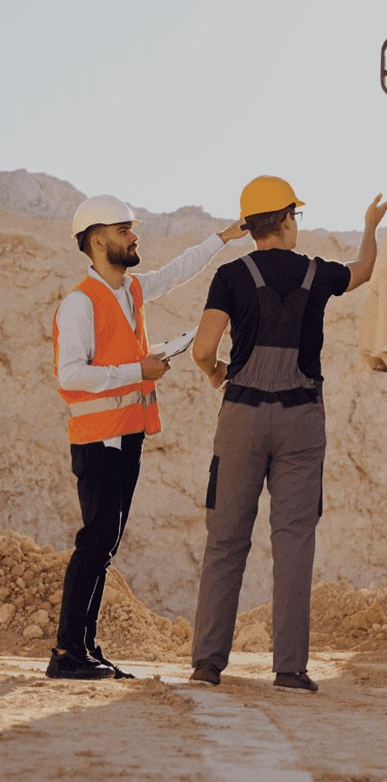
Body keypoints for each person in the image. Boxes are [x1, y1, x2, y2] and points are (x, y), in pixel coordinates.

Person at [189, 176, 387, 693]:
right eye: (294, 216)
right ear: (283, 220)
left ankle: (208, 663)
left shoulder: (230, 275)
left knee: (226, 539)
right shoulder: (318, 273)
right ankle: (290, 669)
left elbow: (202, 349)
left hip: (242, 417)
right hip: (302, 420)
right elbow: (365, 272)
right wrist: (369, 226)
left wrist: (218, 376)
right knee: (295, 541)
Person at [49, 194, 247, 680]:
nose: (134, 236)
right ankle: (66, 654)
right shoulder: (79, 303)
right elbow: (70, 375)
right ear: (98, 240)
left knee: (106, 543)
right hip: (99, 439)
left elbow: (178, 272)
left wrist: (222, 238)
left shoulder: (131, 290)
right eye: (124, 230)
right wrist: (137, 368)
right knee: (95, 540)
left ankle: (86, 647)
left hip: (128, 435)